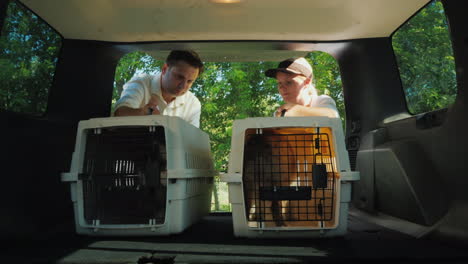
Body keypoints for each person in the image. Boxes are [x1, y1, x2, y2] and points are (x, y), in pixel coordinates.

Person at [113, 50, 204, 127]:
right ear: (164, 69)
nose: (183, 86)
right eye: (180, 77)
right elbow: (119, 113)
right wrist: (143, 113)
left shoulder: (193, 103)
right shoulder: (141, 83)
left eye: (189, 81)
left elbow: (191, 142)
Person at [265, 57, 339, 118]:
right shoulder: (280, 113)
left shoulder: (322, 101)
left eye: (289, 82)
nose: (281, 88)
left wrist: (296, 110)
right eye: (279, 83)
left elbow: (332, 115)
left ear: (307, 82)